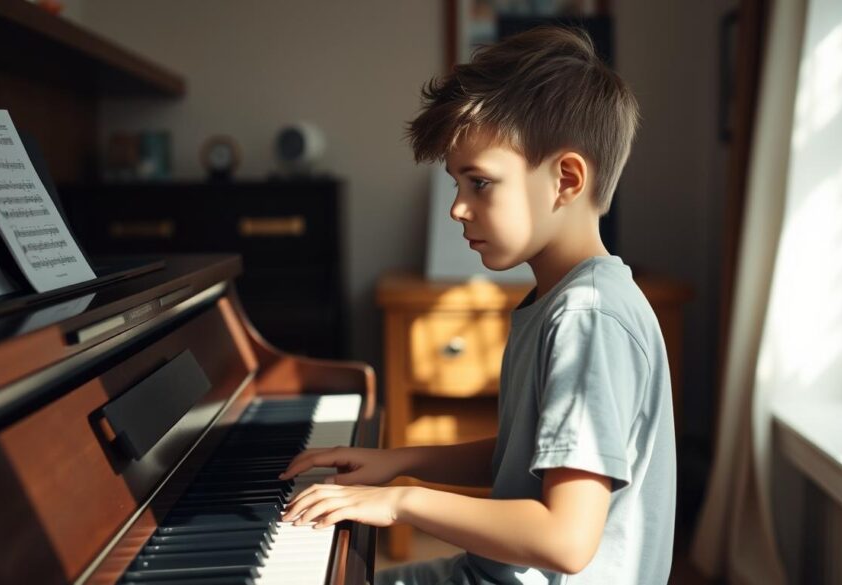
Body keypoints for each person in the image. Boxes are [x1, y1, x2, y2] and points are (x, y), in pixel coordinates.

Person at [279, 25, 676, 584]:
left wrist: (401, 503)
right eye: (456, 185)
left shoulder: (588, 318)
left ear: (565, 178)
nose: (458, 209)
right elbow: (530, 454)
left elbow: (565, 541)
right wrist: (402, 461)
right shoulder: (562, 299)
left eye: (480, 184)